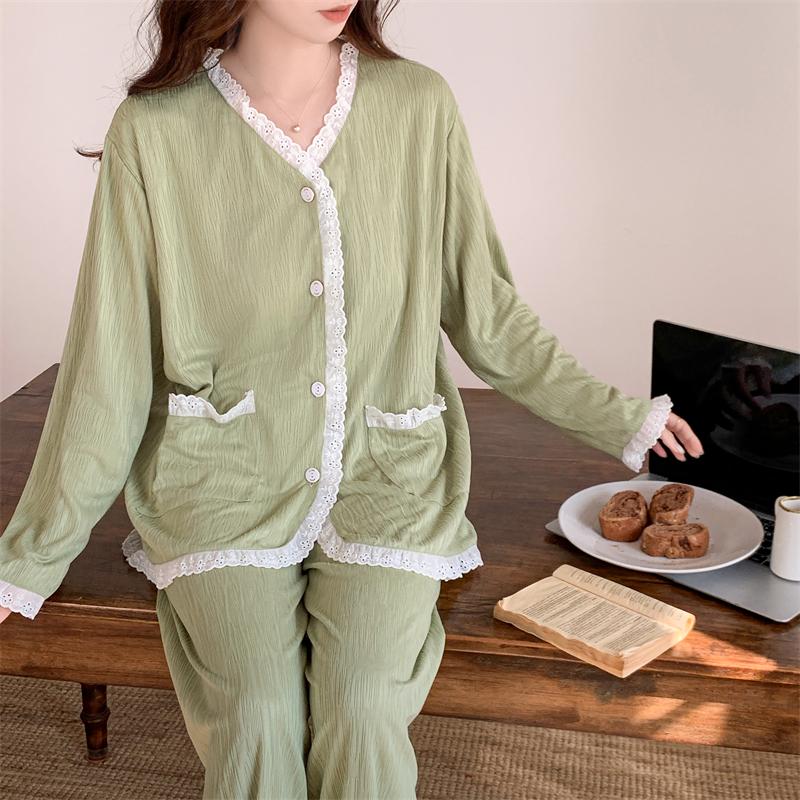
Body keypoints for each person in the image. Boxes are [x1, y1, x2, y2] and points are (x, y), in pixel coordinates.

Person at [0, 1, 704, 797]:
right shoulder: (155, 130)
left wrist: (619, 417)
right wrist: (28, 557)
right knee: (257, 712)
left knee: (365, 705)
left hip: (387, 477)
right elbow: (110, 360)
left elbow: (485, 311)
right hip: (222, 481)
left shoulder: (418, 105)